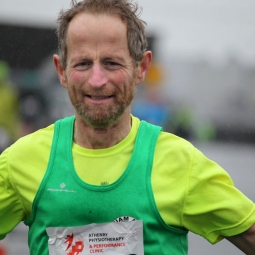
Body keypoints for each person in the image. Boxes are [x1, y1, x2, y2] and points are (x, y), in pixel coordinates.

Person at [0, 0, 255, 254]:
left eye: (111, 63)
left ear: (141, 68)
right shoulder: (21, 161)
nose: (97, 80)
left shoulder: (179, 164)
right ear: (61, 70)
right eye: (83, 63)